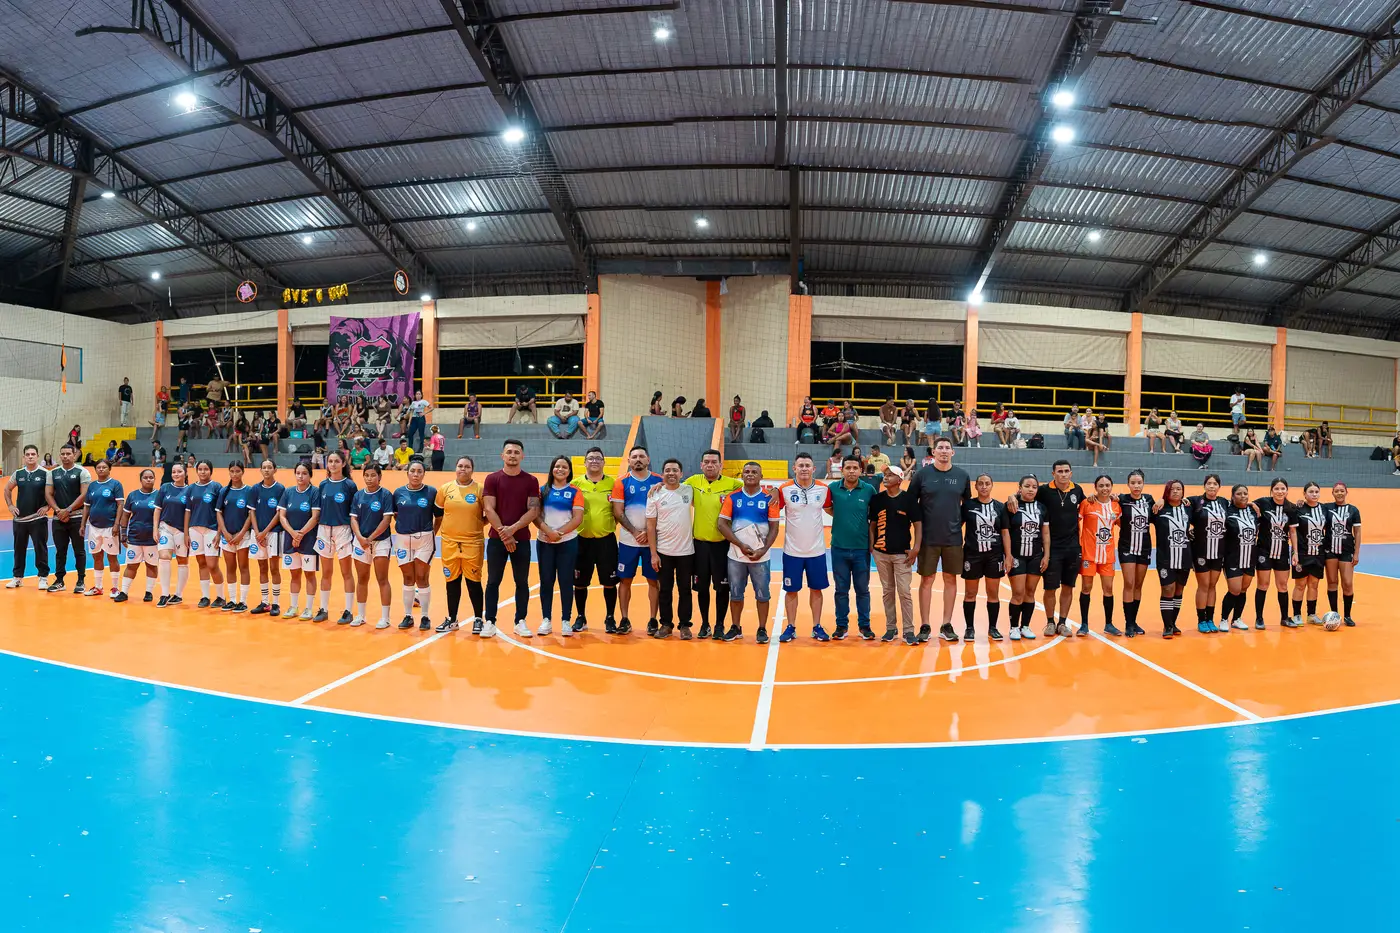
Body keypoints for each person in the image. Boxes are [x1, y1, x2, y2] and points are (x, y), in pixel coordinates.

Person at [906, 437, 972, 644]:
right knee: (927, 580)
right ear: (933, 452)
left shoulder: (962, 476)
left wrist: (957, 524)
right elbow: (910, 503)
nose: (944, 451)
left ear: (953, 452)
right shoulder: (922, 475)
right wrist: (917, 533)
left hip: (953, 538)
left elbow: (967, 506)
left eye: (947, 448)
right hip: (928, 538)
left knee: (951, 579)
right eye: (940, 448)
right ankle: (925, 625)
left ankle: (946, 624)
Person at [679, 450, 742, 640]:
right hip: (699, 546)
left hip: (722, 546)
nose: (710, 465)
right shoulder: (692, 482)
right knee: (701, 587)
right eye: (706, 461)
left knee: (722, 588)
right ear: (701, 465)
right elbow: (673, 487)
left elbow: (753, 488)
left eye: (714, 462)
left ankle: (719, 625)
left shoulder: (733, 484)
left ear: (721, 465)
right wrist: (658, 484)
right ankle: (705, 624)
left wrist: (773, 491)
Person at [481, 439, 539, 637]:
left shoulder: (531, 481)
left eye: (516, 452)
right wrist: (505, 535)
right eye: (509, 452)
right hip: (496, 540)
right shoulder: (492, 479)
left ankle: (520, 621)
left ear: (522, 456)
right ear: (502, 456)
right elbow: (489, 509)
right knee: (493, 581)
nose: (512, 455)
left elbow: (533, 510)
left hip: (521, 539)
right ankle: (490, 621)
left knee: (521, 581)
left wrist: (512, 530)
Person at [717, 462, 779, 643]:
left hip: (761, 557)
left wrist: (763, 549)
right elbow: (721, 524)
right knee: (736, 594)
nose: (750, 474)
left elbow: (774, 527)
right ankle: (736, 627)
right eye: (747, 472)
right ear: (742, 475)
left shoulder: (769, 498)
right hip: (736, 555)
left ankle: (762, 629)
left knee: (763, 594)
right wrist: (740, 544)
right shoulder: (733, 497)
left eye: (754, 472)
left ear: (761, 476)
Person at [775, 452, 832, 643]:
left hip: (817, 551)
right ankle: (791, 626)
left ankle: (817, 626)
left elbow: (832, 510)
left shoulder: (823, 489)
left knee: (816, 589)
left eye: (808, 465)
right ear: (794, 468)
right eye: (801, 466)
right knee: (791, 590)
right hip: (792, 552)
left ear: (814, 469)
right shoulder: (784, 489)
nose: (804, 469)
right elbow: (772, 511)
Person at [610, 446, 663, 635]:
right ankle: (624, 619)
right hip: (628, 542)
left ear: (648, 460)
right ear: (629, 461)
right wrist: (635, 532)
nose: (638, 459)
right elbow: (618, 512)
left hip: (653, 543)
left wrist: (649, 533)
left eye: (641, 456)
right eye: (634, 457)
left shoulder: (659, 481)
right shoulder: (621, 482)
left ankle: (653, 620)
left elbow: (664, 511)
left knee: (653, 581)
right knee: (625, 580)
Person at [826, 455, 877, 640]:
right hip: (839, 547)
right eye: (848, 468)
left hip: (861, 548)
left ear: (861, 470)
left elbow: (874, 516)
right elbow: (828, 508)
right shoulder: (833, 488)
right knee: (841, 590)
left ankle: (865, 626)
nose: (851, 471)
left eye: (855, 468)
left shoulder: (869, 490)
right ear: (842, 470)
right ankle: (841, 626)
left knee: (862, 589)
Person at [867, 465, 919, 644]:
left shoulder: (909, 499)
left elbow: (918, 525)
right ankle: (891, 628)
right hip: (881, 554)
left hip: (902, 555)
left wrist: (916, 548)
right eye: (885, 474)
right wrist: (872, 546)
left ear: (899, 479)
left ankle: (909, 630)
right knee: (888, 591)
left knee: (904, 592)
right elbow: (873, 524)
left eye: (890, 475)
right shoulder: (876, 499)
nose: (886, 477)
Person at [645, 458, 696, 639]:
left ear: (681, 474)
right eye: (667, 470)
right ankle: (666, 624)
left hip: (686, 552)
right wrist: (653, 554)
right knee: (665, 590)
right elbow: (650, 526)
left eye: (675, 470)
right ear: (662, 473)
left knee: (685, 590)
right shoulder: (655, 494)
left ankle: (685, 625)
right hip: (664, 551)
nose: (671, 473)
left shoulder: (689, 490)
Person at [571, 447, 618, 634]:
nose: (594, 461)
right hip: (581, 540)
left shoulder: (613, 484)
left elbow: (619, 510)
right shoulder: (575, 484)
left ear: (604, 462)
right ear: (585, 462)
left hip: (606, 541)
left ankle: (610, 618)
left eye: (598, 458)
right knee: (580, 582)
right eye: (590, 458)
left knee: (610, 581)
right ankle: (580, 617)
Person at [537, 455, 585, 636]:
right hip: (545, 543)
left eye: (564, 467)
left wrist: (558, 533)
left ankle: (566, 620)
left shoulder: (575, 491)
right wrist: (548, 531)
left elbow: (577, 518)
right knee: (546, 581)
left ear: (569, 471)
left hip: (567, 543)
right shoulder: (542, 491)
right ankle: (546, 620)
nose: (560, 469)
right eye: (557, 466)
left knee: (566, 581)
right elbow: (535, 515)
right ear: (552, 469)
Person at [960, 473, 1009, 641]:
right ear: (975, 486)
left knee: (993, 593)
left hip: (994, 555)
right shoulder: (968, 505)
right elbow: (957, 526)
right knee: (970, 593)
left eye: (987, 483)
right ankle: (969, 628)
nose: (984, 486)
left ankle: (993, 628)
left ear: (992, 485)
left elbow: (1005, 533)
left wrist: (1008, 555)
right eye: (980, 483)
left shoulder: (1000, 507)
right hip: (972, 554)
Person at [311, 451, 358, 624]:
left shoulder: (349, 485)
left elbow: (354, 512)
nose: (333, 464)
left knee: (346, 572)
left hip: (343, 530)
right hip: (324, 529)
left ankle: (348, 611)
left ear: (343, 464)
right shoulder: (323, 484)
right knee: (326, 572)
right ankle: (323, 609)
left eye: (336, 461)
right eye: (330, 461)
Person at [391, 460, 437, 631]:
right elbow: (396, 514)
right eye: (413, 471)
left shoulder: (431, 492)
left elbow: (439, 517)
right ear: (407, 473)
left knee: (422, 577)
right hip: (403, 539)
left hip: (424, 539)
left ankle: (425, 616)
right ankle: (408, 616)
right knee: (408, 578)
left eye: (419, 471)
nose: (416, 474)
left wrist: (432, 533)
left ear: (424, 474)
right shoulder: (398, 493)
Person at [349, 463, 396, 629]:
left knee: (382, 579)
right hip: (360, 542)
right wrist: (360, 537)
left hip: (381, 541)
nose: (369, 479)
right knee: (362, 578)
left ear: (379, 477)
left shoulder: (385, 495)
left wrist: (369, 538)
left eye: (373, 475)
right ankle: (361, 615)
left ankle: (385, 617)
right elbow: (353, 519)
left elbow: (386, 520)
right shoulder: (358, 495)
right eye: (366, 475)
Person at [1002, 474, 1048, 641]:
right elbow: (1005, 532)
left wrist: (1046, 555)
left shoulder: (1042, 508)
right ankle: (1014, 627)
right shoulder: (1010, 506)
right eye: (1027, 486)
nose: (1031, 489)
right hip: (1017, 556)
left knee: (1030, 592)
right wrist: (1008, 555)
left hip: (1035, 556)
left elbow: (1045, 533)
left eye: (1034, 487)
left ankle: (1025, 626)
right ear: (1019, 488)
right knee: (1018, 593)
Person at [1076, 475, 1121, 636]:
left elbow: (1123, 525)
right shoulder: (1087, 503)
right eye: (1101, 485)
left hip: (1107, 556)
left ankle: (1109, 624)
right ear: (1095, 487)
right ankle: (1084, 624)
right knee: (1086, 588)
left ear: (1112, 487)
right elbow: (1074, 523)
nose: (1104, 488)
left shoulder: (1116, 506)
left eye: (1107, 485)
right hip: (1089, 554)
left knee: (1108, 589)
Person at [278, 461, 321, 621]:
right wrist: (293, 533)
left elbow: (315, 517)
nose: (300, 476)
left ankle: (308, 608)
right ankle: (293, 606)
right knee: (294, 573)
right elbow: (282, 516)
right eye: (298, 473)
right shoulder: (288, 492)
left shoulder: (314, 492)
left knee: (309, 574)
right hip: (290, 539)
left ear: (310, 475)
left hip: (308, 539)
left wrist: (300, 534)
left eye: (304, 473)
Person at [1113, 469, 1154, 638]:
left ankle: (1134, 621)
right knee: (1129, 584)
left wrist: (1161, 501)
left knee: (1138, 585)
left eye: (1139, 483)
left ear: (1143, 483)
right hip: (1127, 547)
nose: (1136, 486)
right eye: (1133, 483)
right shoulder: (1122, 499)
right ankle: (1128, 623)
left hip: (1144, 547)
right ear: (1128, 484)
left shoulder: (1149, 500)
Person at [45, 445, 90, 594]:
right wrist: (59, 511)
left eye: (68, 454)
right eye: (63, 454)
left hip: (76, 517)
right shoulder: (53, 473)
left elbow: (84, 494)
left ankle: (81, 581)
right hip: (58, 518)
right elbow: (48, 494)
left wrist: (68, 510)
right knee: (60, 551)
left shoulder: (82, 472)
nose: (65, 456)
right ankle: (59, 580)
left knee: (79, 550)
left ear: (74, 455)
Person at [5, 445, 51, 589]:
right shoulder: (18, 473)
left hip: (38, 518)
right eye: (27, 454)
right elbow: (7, 489)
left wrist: (47, 507)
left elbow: (53, 492)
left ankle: (43, 577)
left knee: (40, 548)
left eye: (33, 454)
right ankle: (17, 577)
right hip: (20, 519)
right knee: (19, 548)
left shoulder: (45, 473)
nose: (30, 456)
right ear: (24, 457)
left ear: (37, 456)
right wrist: (10, 506)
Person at [1254, 477, 1296, 629]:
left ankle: (1284, 618)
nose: (1280, 491)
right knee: (1263, 584)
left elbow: (1293, 531)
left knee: (1282, 585)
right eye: (1276, 488)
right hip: (1264, 551)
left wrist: (1295, 552)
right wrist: (1252, 505)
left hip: (1282, 552)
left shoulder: (1291, 508)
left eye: (1282, 488)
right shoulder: (1263, 502)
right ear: (1271, 490)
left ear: (1287, 490)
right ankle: (1259, 618)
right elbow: (1246, 504)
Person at [1188, 474, 1228, 633]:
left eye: (1215, 484)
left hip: (1218, 551)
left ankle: (1210, 619)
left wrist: (1253, 505)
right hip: (1201, 551)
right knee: (1203, 585)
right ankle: (1201, 619)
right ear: (1204, 486)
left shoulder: (1224, 502)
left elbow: (1239, 507)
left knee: (1212, 585)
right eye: (1209, 483)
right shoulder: (1195, 501)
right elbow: (1177, 504)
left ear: (1219, 487)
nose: (1212, 486)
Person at [1152, 480, 1192, 638]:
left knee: (1179, 590)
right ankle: (1167, 626)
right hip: (1165, 557)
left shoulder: (1188, 507)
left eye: (1178, 489)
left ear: (1183, 491)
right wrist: (1160, 500)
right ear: (1167, 491)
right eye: (1172, 489)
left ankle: (1173, 623)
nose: (1175, 491)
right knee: (1168, 589)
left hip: (1184, 556)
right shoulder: (1159, 509)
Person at [185, 459, 227, 608]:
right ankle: (205, 597)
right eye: (200, 469)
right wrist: (186, 533)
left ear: (211, 471)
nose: (203, 472)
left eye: (206, 469)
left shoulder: (217, 487)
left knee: (212, 565)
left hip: (212, 529)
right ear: (196, 471)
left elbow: (221, 512)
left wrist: (219, 532)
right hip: (194, 529)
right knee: (201, 563)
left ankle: (221, 597)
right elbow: (187, 511)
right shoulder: (191, 488)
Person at [78, 459, 123, 597]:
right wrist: (83, 524)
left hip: (110, 527)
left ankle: (115, 588)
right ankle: (98, 587)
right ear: (95, 469)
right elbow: (87, 506)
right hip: (94, 527)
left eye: (104, 467)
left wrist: (117, 524)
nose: (101, 469)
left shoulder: (115, 484)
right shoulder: (92, 486)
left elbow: (120, 505)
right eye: (99, 467)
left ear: (109, 469)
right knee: (97, 556)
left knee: (112, 557)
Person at [246, 460, 284, 616]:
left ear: (275, 470)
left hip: (274, 533)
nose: (266, 470)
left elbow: (279, 514)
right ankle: (265, 602)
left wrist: (265, 532)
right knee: (262, 567)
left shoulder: (280, 489)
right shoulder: (255, 489)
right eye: (264, 468)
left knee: (274, 568)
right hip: (257, 534)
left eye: (269, 467)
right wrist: (257, 532)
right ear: (260, 470)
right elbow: (252, 512)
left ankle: (276, 603)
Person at [115, 468, 160, 602]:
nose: (148, 480)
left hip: (152, 539)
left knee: (151, 565)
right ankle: (124, 592)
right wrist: (123, 533)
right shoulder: (133, 495)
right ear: (140, 480)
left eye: (151, 477)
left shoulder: (159, 495)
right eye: (145, 477)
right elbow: (125, 516)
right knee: (131, 565)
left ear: (154, 479)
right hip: (134, 537)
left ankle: (149, 592)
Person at [152, 461, 192, 607]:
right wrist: (155, 529)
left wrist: (187, 533)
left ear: (185, 473)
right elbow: (157, 509)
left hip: (182, 530)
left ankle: (178, 595)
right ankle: (164, 594)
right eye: (174, 472)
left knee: (182, 561)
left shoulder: (190, 490)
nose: (176, 474)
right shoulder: (165, 487)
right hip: (165, 527)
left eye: (179, 471)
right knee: (164, 557)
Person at [1220, 484, 1259, 631]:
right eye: (1239, 494)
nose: (1243, 496)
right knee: (1234, 590)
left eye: (1245, 493)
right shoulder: (1227, 511)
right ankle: (1224, 619)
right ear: (1232, 496)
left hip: (1250, 556)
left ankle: (1236, 619)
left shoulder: (1253, 511)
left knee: (1243, 589)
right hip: (1233, 557)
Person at [1289, 482, 1328, 627]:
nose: (1314, 494)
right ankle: (1297, 614)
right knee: (1300, 584)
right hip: (1302, 553)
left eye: (1316, 491)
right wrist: (1295, 552)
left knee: (1314, 584)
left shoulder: (1324, 509)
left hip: (1318, 553)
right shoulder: (1298, 509)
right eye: (1311, 492)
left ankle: (1311, 615)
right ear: (1304, 494)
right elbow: (1292, 531)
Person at [216, 461, 254, 612]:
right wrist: (224, 532)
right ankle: (232, 600)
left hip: (242, 536)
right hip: (227, 536)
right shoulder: (224, 491)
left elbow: (251, 515)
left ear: (243, 472)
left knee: (243, 567)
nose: (235, 474)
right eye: (232, 471)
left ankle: (243, 601)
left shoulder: (249, 491)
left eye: (238, 471)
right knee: (230, 567)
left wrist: (242, 533)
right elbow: (219, 513)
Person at [1324, 482, 1360, 627]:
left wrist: (1356, 553)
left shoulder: (1353, 510)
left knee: (1348, 583)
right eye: (1336, 491)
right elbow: (1311, 507)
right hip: (1330, 551)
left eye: (1342, 491)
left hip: (1347, 550)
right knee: (1332, 582)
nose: (1339, 493)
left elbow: (1357, 533)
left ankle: (1347, 615)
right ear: (1332, 493)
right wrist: (1301, 503)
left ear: (1346, 492)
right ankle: (1335, 615)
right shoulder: (1326, 508)